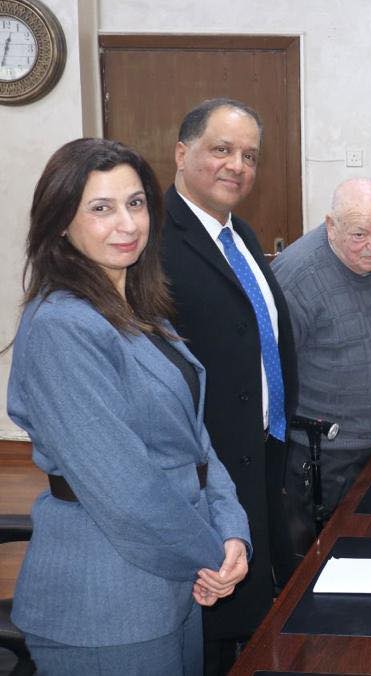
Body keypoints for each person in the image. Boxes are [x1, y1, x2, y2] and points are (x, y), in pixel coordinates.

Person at [6, 138, 250, 675]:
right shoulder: (61, 327)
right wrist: (213, 555)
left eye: (135, 203)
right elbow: (128, 491)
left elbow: (196, 443)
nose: (128, 224)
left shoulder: (137, 308)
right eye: (101, 208)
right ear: (60, 223)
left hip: (176, 580)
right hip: (107, 606)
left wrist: (234, 530)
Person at [159, 97, 299, 674]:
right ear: (182, 153)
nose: (237, 166)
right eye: (222, 150)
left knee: (254, 602)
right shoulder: (155, 244)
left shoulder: (237, 231)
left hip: (259, 448)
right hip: (205, 465)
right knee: (215, 614)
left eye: (249, 156)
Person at [273, 178, 371, 538]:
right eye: (360, 235)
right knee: (326, 558)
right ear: (331, 226)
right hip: (323, 455)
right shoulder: (295, 278)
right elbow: (270, 375)